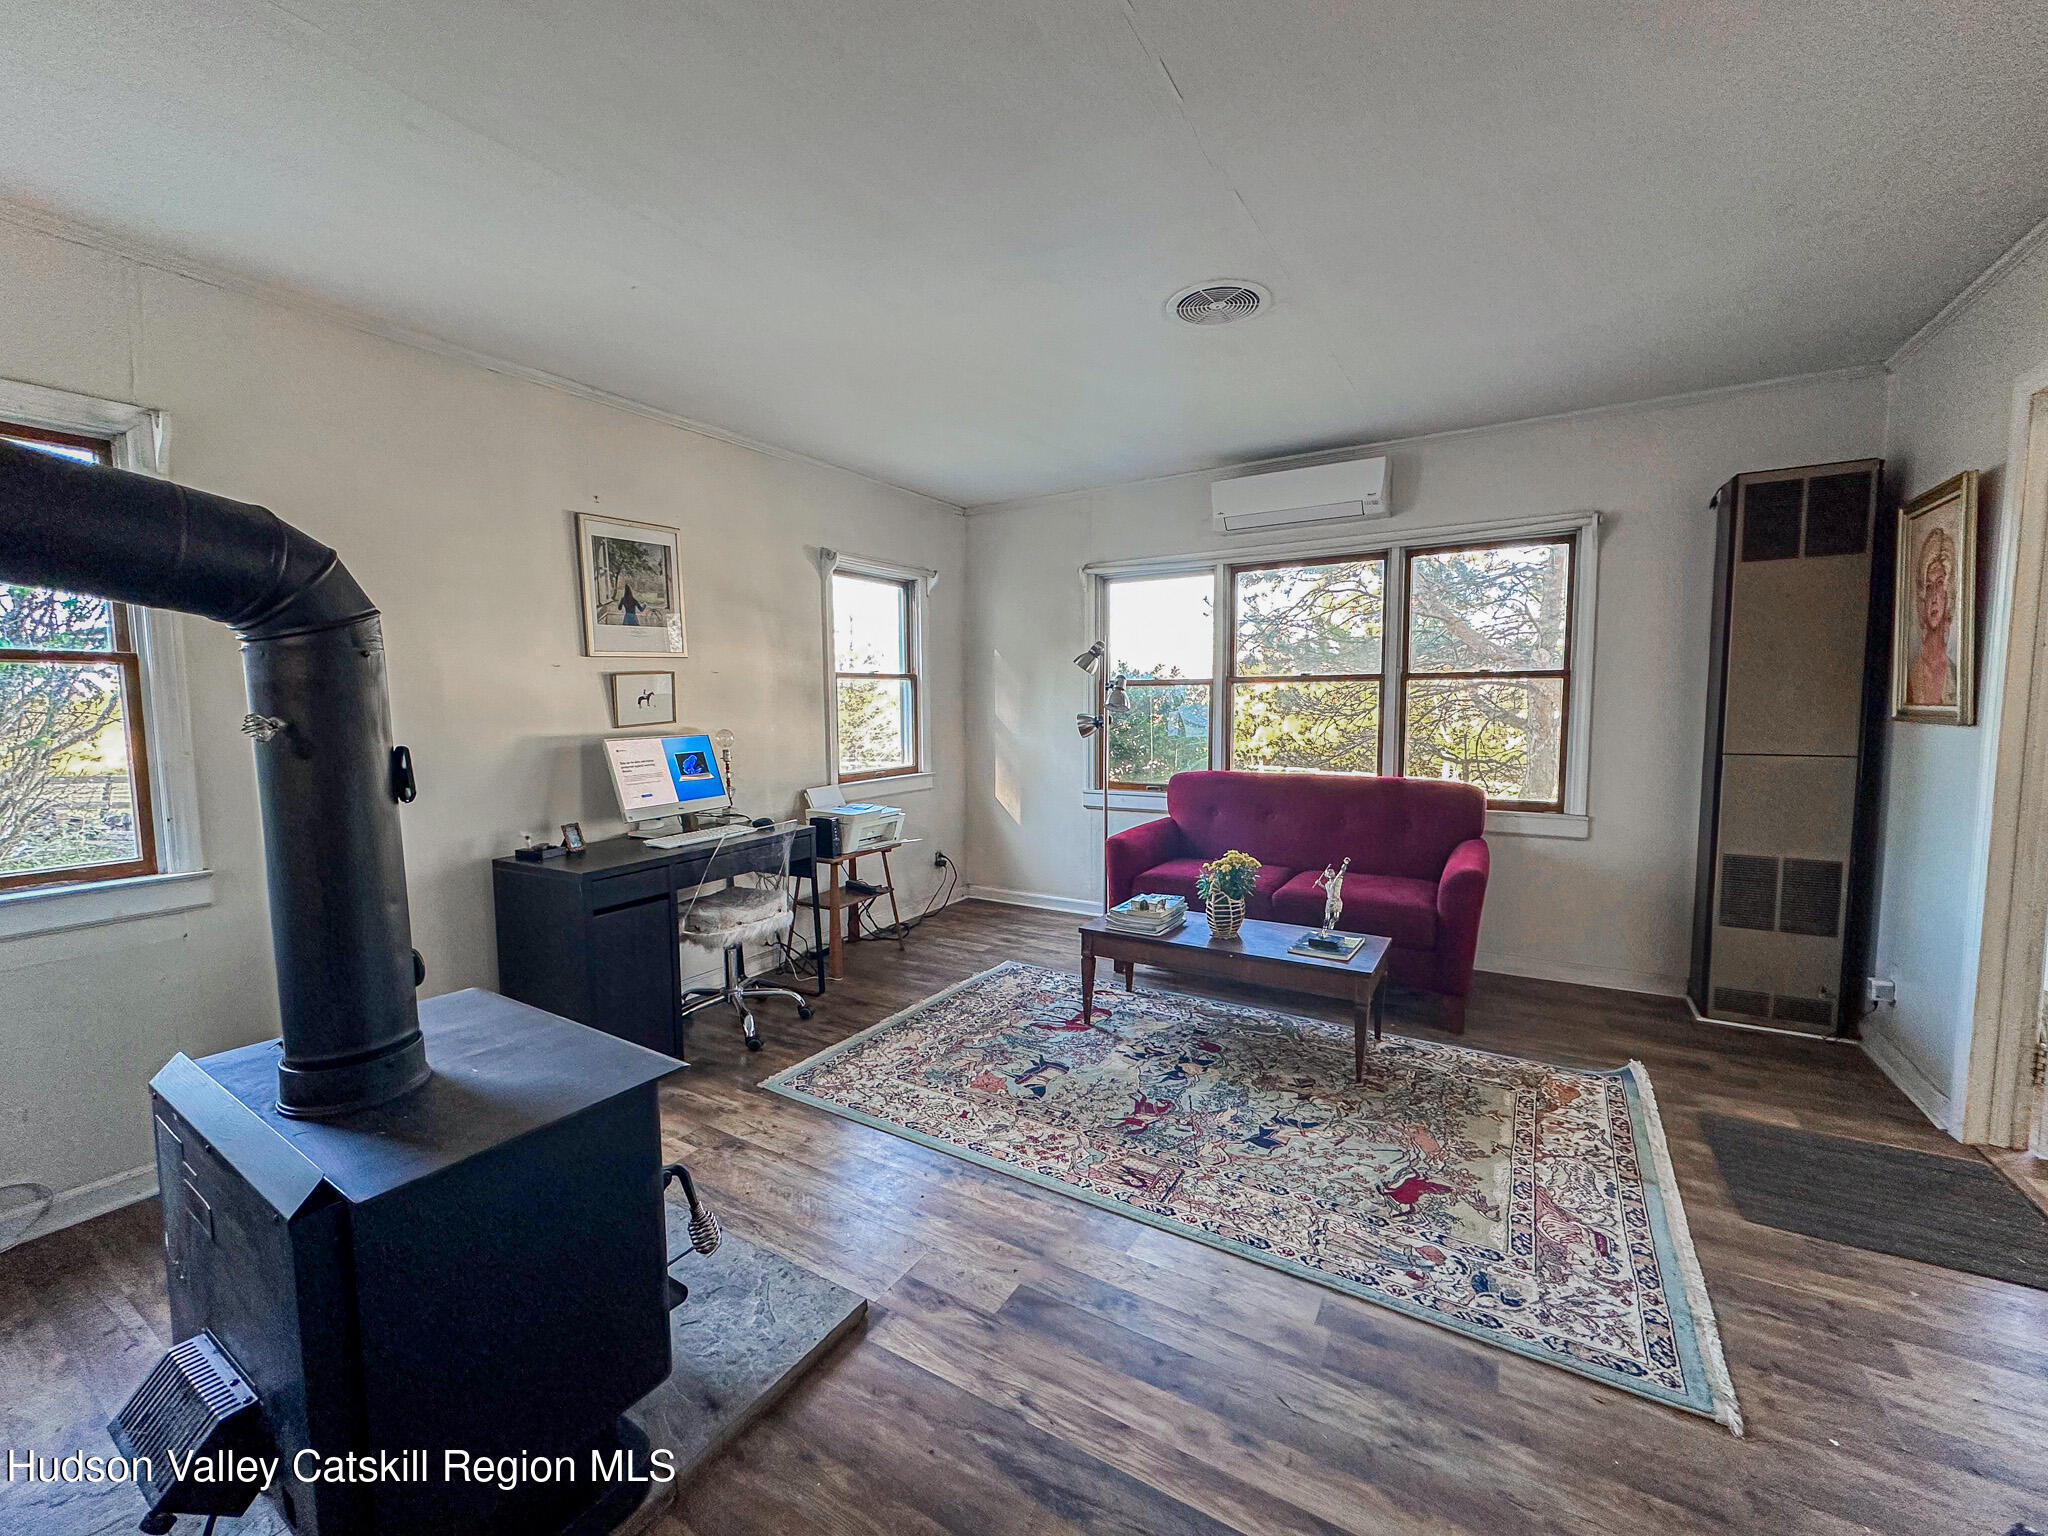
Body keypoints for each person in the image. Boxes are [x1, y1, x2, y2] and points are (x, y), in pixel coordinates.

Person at [1906, 525, 1957, 708]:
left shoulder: (1956, 675)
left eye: (1940, 583)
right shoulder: (1908, 675)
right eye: (1928, 587)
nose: (1934, 596)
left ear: (1949, 592)